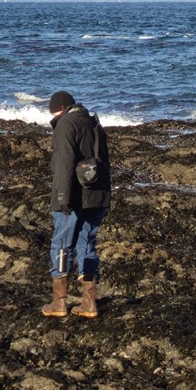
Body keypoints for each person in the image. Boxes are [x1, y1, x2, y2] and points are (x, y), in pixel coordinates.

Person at [41, 90, 111, 318]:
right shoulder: (94, 123)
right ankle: (89, 303)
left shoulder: (65, 124)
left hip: (73, 198)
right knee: (87, 244)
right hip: (97, 195)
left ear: (59, 109)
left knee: (62, 245)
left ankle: (59, 303)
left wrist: (62, 198)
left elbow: (63, 163)